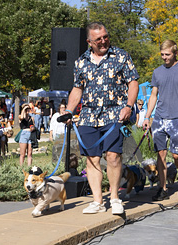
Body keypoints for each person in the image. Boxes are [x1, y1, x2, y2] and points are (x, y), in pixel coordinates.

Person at [65, 22, 139, 215]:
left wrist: (129, 106)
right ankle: (98, 201)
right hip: (88, 116)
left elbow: (133, 84)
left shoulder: (121, 56)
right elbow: (77, 89)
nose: (104, 41)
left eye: (105, 36)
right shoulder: (81, 62)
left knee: (113, 156)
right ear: (89, 41)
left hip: (115, 114)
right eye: (98, 39)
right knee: (92, 159)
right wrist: (69, 110)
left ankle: (114, 197)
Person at [143, 40, 178, 200]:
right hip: (159, 118)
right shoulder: (157, 72)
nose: (164, 57)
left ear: (175, 53)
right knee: (161, 154)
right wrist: (147, 116)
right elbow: (153, 95)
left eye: (167, 54)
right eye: (162, 55)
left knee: (177, 155)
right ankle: (163, 188)